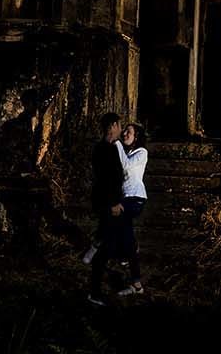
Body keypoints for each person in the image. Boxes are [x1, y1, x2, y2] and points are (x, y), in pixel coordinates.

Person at [86, 112, 123, 306]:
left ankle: (93, 247)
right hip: (108, 203)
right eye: (119, 125)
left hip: (106, 201)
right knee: (108, 246)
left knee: (107, 239)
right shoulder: (105, 150)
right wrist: (114, 203)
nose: (121, 129)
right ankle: (94, 291)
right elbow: (107, 180)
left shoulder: (107, 148)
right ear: (113, 126)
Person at [110, 123, 148, 296]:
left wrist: (116, 142)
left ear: (137, 137)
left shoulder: (142, 153)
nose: (125, 133)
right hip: (125, 198)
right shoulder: (126, 153)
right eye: (124, 131)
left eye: (129, 132)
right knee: (124, 235)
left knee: (120, 226)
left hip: (136, 198)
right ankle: (137, 285)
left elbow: (126, 166)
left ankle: (125, 251)